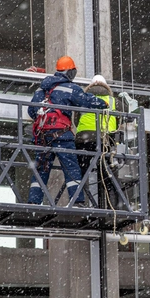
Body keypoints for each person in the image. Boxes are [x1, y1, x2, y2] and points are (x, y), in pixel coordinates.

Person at [27, 56, 107, 206]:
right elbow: (86, 101)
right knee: (71, 168)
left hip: (42, 137)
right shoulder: (70, 88)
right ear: (70, 72)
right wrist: (104, 103)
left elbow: (32, 111)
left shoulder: (41, 89)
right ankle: (77, 201)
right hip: (61, 135)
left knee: (41, 169)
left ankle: (33, 201)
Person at [75, 75, 122, 207]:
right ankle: (113, 205)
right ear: (106, 87)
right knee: (108, 171)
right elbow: (125, 116)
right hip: (105, 139)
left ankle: (80, 202)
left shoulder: (82, 99)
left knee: (81, 169)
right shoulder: (114, 101)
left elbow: (75, 119)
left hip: (83, 138)